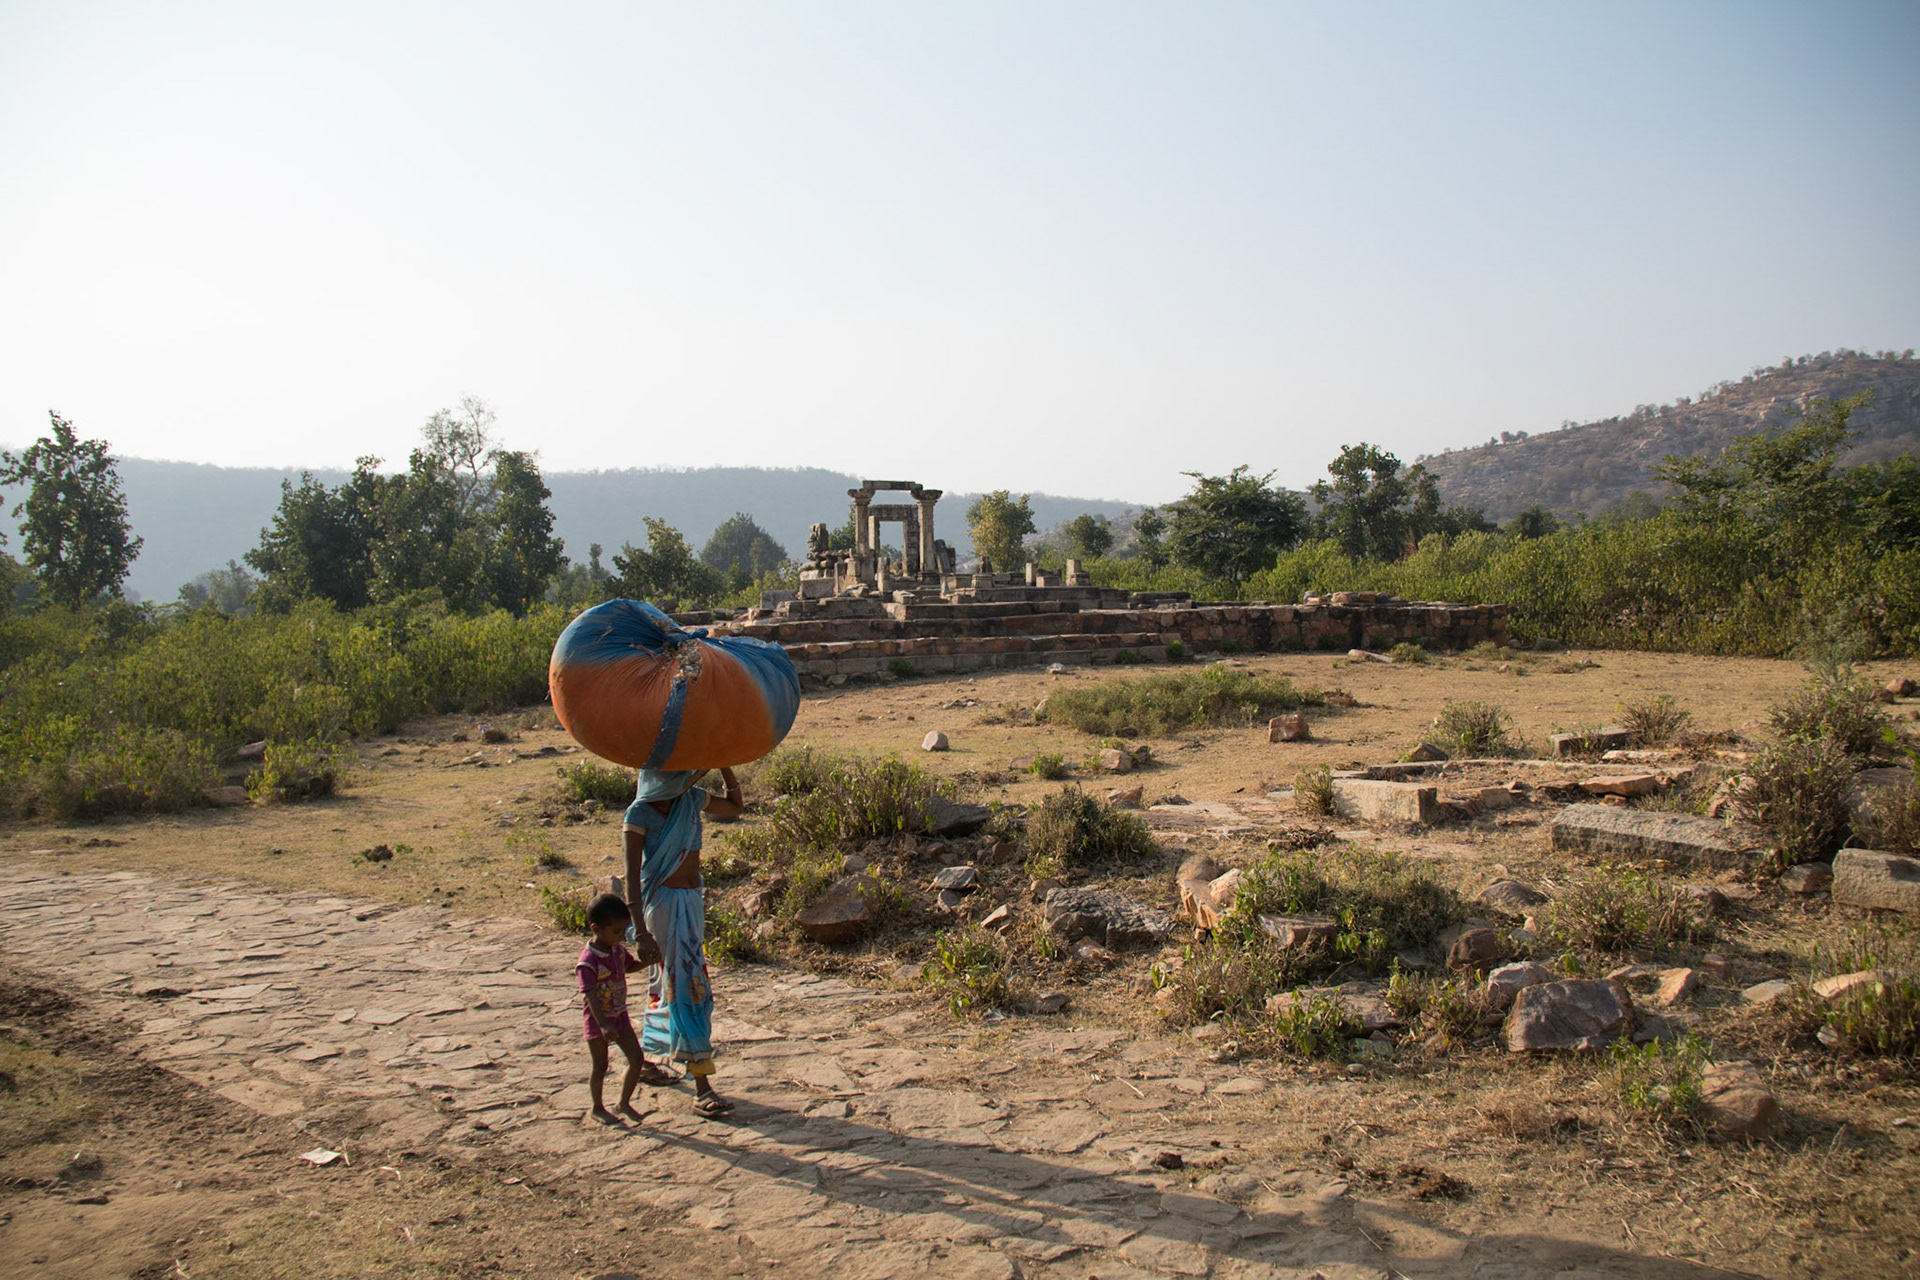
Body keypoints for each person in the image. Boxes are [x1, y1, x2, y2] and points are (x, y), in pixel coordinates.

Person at [623, 765, 745, 1118]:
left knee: (668, 985)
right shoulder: (639, 813)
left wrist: (725, 765)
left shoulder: (690, 799)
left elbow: (735, 807)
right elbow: (631, 877)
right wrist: (640, 932)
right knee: (687, 988)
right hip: (663, 906)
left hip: (690, 901)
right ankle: (702, 1085)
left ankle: (648, 1060)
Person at [577, 893, 674, 1124]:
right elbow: (589, 995)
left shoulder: (617, 951)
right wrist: (602, 1024)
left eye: (624, 931)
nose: (621, 936)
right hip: (598, 1021)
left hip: (620, 1016)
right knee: (600, 1065)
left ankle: (624, 1102)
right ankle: (597, 1107)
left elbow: (629, 966)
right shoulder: (588, 961)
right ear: (596, 929)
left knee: (636, 1059)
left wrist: (648, 961)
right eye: (616, 931)